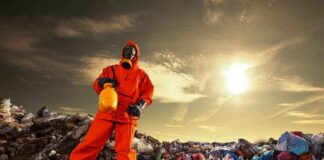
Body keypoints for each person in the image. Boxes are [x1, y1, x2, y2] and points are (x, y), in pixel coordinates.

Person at [70, 40, 154, 160]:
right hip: (106, 112)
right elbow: (96, 86)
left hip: (127, 116)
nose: (129, 54)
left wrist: (140, 106)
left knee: (125, 151)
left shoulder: (141, 75)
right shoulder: (110, 70)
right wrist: (101, 81)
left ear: (136, 56)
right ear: (122, 53)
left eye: (132, 52)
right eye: (127, 51)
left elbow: (148, 93)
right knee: (90, 144)